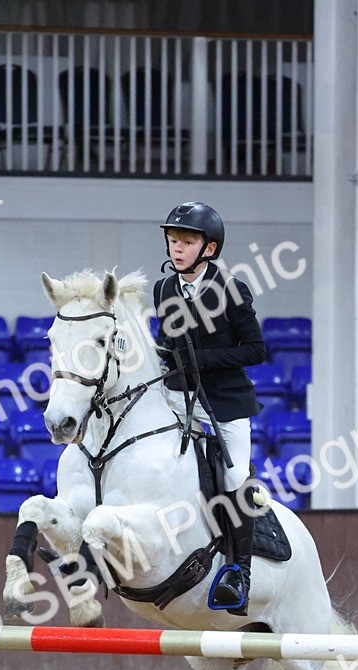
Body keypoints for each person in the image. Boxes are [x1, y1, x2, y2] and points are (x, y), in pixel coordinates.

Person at [154, 201, 267, 614]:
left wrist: (203, 361)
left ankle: (240, 572)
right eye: (173, 241)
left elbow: (256, 349)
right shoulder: (164, 288)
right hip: (178, 396)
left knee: (236, 476)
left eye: (186, 241)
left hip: (225, 403)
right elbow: (168, 342)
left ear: (209, 249)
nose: (177, 249)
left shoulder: (232, 290)